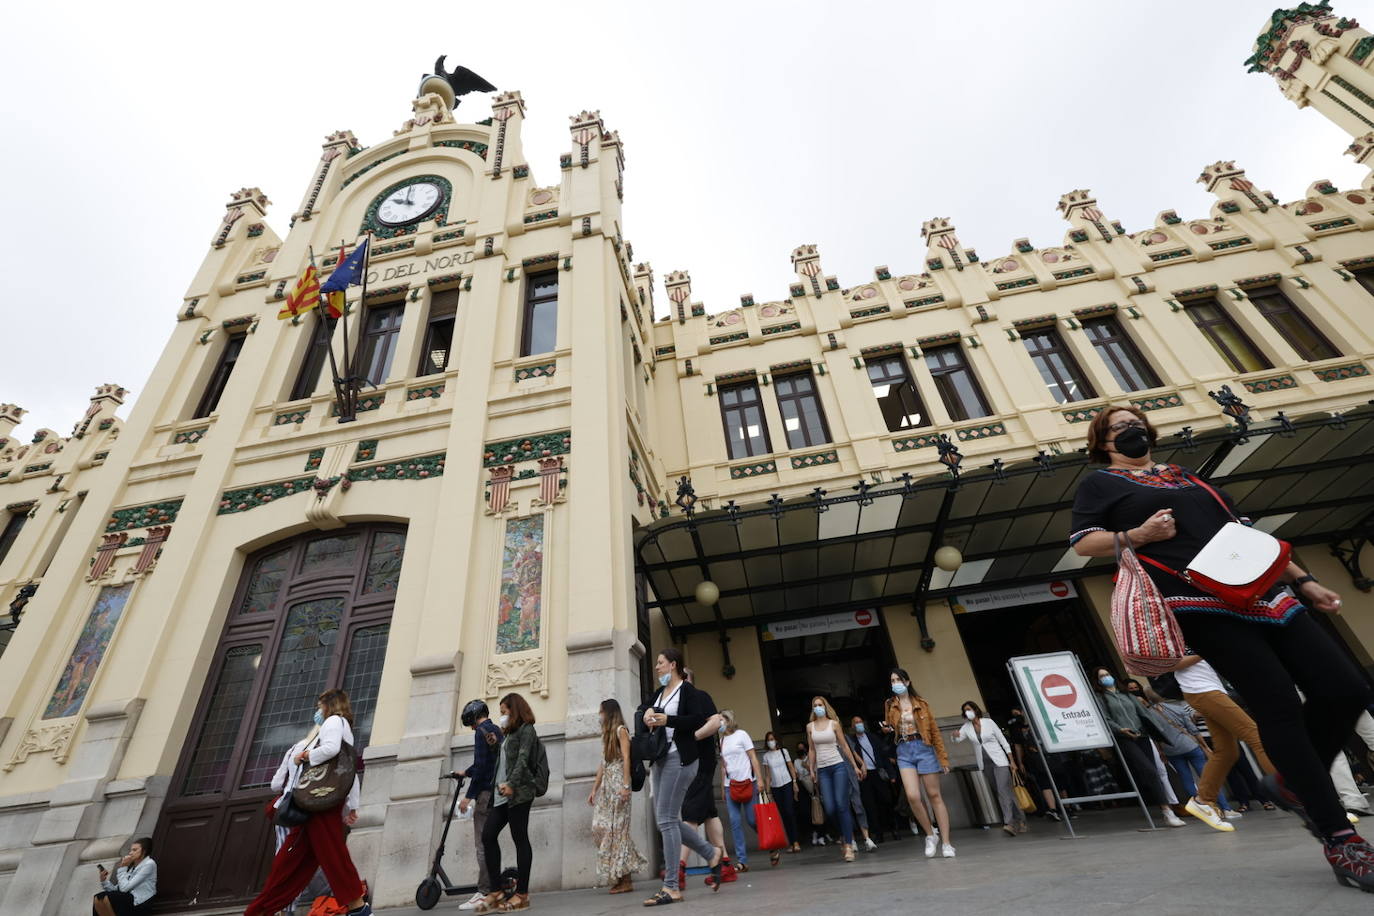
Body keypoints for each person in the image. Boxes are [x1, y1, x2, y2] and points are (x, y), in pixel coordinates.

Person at [1072, 406, 1373, 891]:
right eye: (1117, 427)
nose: (1130, 430)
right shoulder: (1100, 484)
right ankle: (1341, 838)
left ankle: (1295, 781)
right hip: (1197, 600)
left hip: (1266, 592)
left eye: (1135, 422)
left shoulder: (1190, 478)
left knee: (1346, 689)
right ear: (1103, 442)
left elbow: (1245, 533)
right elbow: (1084, 542)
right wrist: (1137, 536)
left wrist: (1305, 580)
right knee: (1276, 702)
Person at [245, 689, 370, 916]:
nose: (317, 711)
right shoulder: (345, 728)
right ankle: (262, 909)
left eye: (319, 706)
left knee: (316, 857)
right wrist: (352, 804)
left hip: (317, 803)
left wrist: (306, 756)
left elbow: (331, 750)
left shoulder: (333, 721)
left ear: (328, 705)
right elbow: (348, 770)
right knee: (301, 858)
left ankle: (358, 908)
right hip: (326, 800)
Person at [636, 649, 726, 905]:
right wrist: (646, 714)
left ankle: (672, 886)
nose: (656, 668)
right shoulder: (659, 694)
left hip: (682, 759)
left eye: (660, 663)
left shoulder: (687, 691)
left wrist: (668, 720)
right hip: (662, 758)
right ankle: (711, 854)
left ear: (673, 665)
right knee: (666, 820)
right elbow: (645, 709)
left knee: (666, 820)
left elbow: (697, 719)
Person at [268, 714, 360, 913]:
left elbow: (275, 783)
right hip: (313, 806)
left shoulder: (295, 748)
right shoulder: (324, 751)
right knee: (318, 856)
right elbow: (341, 778)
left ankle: (282, 908)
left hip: (288, 809)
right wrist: (352, 806)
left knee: (285, 858)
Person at [1173, 654, 1277, 824]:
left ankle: (1203, 800)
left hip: (1207, 689)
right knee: (1257, 737)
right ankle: (1290, 791)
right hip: (1202, 690)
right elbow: (1172, 663)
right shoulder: (1174, 632)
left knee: (1227, 751)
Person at [1090, 666, 1185, 827]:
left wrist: (1159, 733)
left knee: (1153, 771)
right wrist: (1119, 729)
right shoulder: (1101, 698)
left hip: (1142, 736)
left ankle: (1167, 811)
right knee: (1149, 771)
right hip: (1125, 738)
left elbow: (1144, 713)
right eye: (1102, 676)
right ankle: (1167, 811)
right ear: (1098, 681)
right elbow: (1104, 718)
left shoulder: (1127, 694)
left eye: (1107, 674)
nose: (1106, 677)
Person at [1139, 686, 1237, 831]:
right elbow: (1192, 728)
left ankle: (1206, 811)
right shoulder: (1176, 708)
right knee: (1207, 777)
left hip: (1170, 750)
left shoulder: (1148, 715)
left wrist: (1161, 751)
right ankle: (1226, 808)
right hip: (1190, 745)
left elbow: (1155, 737)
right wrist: (1204, 746)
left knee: (1186, 779)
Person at [474, 693, 539, 913]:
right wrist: (494, 745)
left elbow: (522, 759)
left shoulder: (527, 730)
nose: (501, 717)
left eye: (503, 712)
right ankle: (496, 891)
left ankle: (522, 894)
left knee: (520, 838)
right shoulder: (508, 733)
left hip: (519, 793)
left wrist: (511, 783)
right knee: (488, 835)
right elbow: (505, 759)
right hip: (501, 794)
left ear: (514, 710)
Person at [884, 668, 955, 858]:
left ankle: (947, 843)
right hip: (904, 750)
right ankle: (931, 835)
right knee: (913, 796)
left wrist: (943, 758)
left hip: (924, 748)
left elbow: (935, 732)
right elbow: (891, 728)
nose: (895, 683)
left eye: (898, 679)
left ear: (907, 682)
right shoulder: (890, 705)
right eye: (892, 681)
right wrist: (887, 728)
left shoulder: (922, 704)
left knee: (934, 795)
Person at [678, 668, 734, 888]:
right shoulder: (680, 703)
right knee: (710, 813)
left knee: (690, 812)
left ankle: (679, 868)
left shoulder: (700, 697)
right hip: (696, 762)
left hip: (699, 763)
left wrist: (690, 740)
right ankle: (726, 864)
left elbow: (714, 723)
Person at [589, 698, 648, 893]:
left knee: (618, 832)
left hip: (619, 786)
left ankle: (625, 880)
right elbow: (603, 763)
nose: (599, 715)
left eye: (601, 711)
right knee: (602, 829)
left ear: (608, 712)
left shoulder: (621, 730)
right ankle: (623, 872)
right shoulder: (606, 734)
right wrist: (594, 789)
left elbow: (626, 758)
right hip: (607, 787)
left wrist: (625, 786)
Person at [452, 699, 504, 910]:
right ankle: (494, 887)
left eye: (471, 723)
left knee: (482, 844)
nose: (472, 727)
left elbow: (482, 767)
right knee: (490, 841)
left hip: (484, 794)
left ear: (474, 718)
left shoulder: (480, 731)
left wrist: (468, 796)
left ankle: (485, 891)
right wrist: (466, 772)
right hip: (498, 792)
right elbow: (489, 763)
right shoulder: (497, 731)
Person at [954, 701, 1026, 836]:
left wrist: (1012, 761)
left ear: (975, 709)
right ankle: (1021, 819)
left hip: (1000, 762)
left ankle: (1008, 823)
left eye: (969, 709)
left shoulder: (989, 722)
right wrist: (955, 736)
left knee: (1002, 791)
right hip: (985, 764)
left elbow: (1003, 741)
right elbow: (958, 739)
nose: (967, 712)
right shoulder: (966, 727)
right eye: (965, 711)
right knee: (1005, 792)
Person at [806, 696, 864, 862]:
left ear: (825, 707)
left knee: (841, 805)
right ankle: (843, 833)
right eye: (815, 705)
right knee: (830, 809)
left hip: (838, 767)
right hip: (823, 770)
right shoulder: (810, 727)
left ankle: (848, 844)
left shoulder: (834, 724)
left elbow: (844, 745)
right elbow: (811, 749)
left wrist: (854, 766)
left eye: (820, 705)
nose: (818, 707)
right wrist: (811, 768)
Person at [719, 710, 772, 868]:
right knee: (735, 822)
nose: (718, 724)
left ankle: (771, 845)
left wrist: (760, 779)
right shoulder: (721, 741)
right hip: (731, 786)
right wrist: (723, 787)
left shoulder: (742, 735)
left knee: (752, 820)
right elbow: (723, 766)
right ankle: (742, 861)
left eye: (721, 720)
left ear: (729, 720)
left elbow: (753, 758)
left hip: (748, 783)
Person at [848, 716, 896, 846]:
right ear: (852, 726)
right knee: (869, 805)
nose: (859, 724)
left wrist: (891, 774)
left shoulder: (873, 737)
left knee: (885, 801)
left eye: (860, 722)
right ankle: (877, 833)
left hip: (878, 773)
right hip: (864, 776)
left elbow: (884, 756)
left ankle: (892, 828)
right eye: (856, 723)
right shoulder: (851, 741)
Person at [759, 730, 801, 853]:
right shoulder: (766, 756)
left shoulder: (784, 751)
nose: (771, 742)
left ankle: (796, 841)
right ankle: (791, 842)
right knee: (783, 814)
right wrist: (768, 792)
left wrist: (794, 782)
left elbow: (791, 767)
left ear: (776, 740)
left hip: (787, 783)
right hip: (775, 787)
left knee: (789, 811)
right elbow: (767, 775)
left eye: (772, 739)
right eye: (769, 740)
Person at [93, 837, 157, 916]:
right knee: (98, 897)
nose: (130, 853)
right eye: (130, 850)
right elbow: (117, 889)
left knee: (110, 897)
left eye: (134, 850)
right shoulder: (132, 868)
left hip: (141, 903)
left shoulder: (149, 864)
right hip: (129, 901)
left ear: (144, 851)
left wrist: (123, 868)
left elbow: (124, 889)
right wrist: (104, 881)